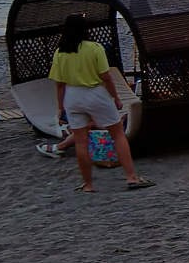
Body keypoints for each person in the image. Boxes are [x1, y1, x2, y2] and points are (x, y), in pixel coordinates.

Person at [48, 14, 150, 192]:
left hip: (72, 95)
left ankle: (88, 184)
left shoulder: (60, 52)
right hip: (95, 92)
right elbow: (106, 76)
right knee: (117, 133)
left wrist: (60, 107)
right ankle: (131, 177)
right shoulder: (94, 48)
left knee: (80, 141)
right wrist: (116, 97)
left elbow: (59, 84)